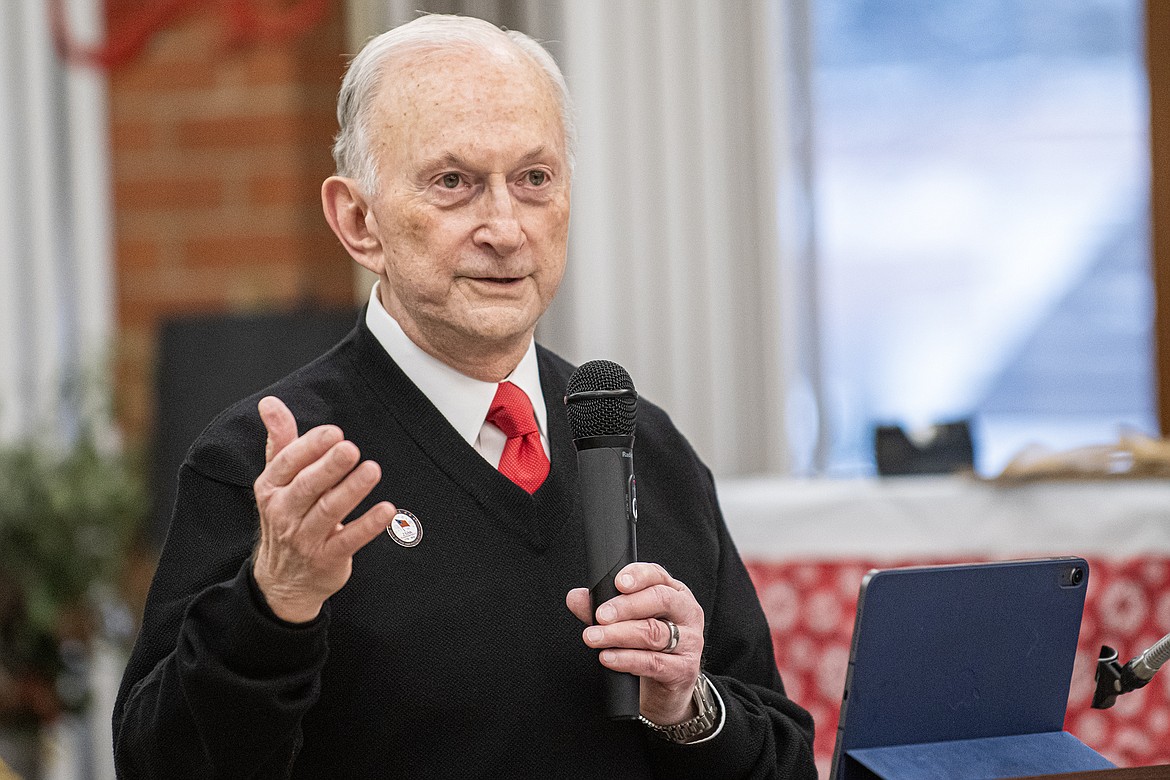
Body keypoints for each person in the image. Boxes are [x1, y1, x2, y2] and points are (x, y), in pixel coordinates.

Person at [113, 14, 816, 779]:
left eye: (534, 180)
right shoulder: (267, 463)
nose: (506, 228)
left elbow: (783, 759)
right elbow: (158, 766)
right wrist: (271, 604)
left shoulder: (642, 445)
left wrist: (688, 710)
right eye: (454, 183)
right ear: (358, 221)